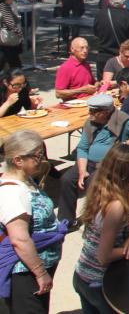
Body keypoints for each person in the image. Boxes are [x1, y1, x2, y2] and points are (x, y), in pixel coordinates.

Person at [73, 144, 129, 314]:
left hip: (81, 275)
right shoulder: (116, 206)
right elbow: (103, 256)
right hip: (98, 283)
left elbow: (121, 228)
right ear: (125, 176)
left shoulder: (100, 189)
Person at [59, 93, 129, 226]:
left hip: (108, 165)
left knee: (93, 183)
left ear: (106, 112)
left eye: (94, 111)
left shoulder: (123, 120)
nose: (90, 113)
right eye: (90, 110)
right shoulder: (90, 123)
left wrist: (125, 144)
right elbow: (82, 148)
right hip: (88, 162)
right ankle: (66, 221)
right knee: (66, 180)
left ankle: (95, 221)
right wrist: (82, 170)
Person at [0, 130, 63, 313]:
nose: (42, 160)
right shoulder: (13, 194)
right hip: (25, 273)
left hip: (37, 267)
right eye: (37, 156)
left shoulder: (25, 180)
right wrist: (41, 273)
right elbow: (19, 240)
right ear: (18, 160)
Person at [92, 0, 129, 78]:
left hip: (103, 56)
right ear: (124, 1)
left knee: (104, 87)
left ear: (110, 0)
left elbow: (96, 32)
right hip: (122, 58)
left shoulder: (100, 14)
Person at [55, 37, 98, 101]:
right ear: (72, 49)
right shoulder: (66, 67)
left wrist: (98, 84)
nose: (85, 51)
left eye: (87, 48)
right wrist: (81, 90)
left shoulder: (86, 64)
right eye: (81, 48)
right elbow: (58, 93)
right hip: (74, 106)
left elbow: (92, 83)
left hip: (90, 101)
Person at [0, 0, 22, 72]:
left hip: (5, 42)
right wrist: (20, 35)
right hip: (7, 41)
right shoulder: (4, 7)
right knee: (15, 66)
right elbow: (11, 24)